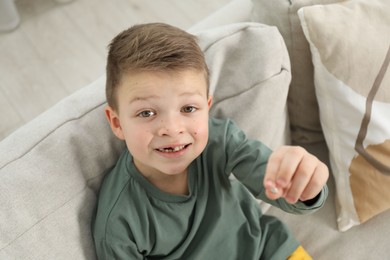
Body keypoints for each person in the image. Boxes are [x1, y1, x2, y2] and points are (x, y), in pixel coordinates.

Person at [92, 22, 329, 260]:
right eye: (146, 113)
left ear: (206, 108)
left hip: (269, 250)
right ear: (117, 123)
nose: (173, 129)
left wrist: (304, 183)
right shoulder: (118, 221)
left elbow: (286, 191)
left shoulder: (221, 140)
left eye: (188, 108)